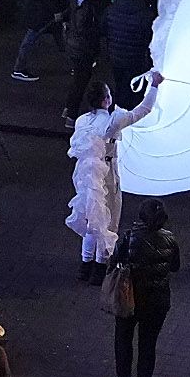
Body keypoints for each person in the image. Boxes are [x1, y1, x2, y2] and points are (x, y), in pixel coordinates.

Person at [68, 81, 158, 283]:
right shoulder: (113, 121)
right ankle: (101, 267)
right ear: (106, 100)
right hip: (107, 174)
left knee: (91, 217)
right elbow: (142, 110)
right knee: (109, 219)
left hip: (85, 174)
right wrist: (154, 86)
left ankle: (85, 264)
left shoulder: (82, 121)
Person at [105, 206, 181, 377]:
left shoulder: (129, 237)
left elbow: (115, 261)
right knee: (148, 345)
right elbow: (175, 266)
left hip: (129, 297)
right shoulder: (170, 239)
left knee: (123, 337)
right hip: (157, 301)